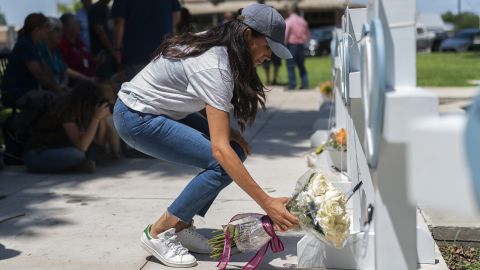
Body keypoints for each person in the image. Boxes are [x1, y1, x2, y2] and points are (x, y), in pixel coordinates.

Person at [113, 3, 298, 268]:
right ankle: (157, 232)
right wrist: (266, 202)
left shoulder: (220, 45)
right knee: (223, 161)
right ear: (248, 35)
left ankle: (181, 226)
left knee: (234, 151)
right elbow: (220, 151)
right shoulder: (215, 65)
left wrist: (228, 130)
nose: (269, 56)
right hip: (136, 116)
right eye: (268, 47)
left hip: (159, 108)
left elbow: (190, 88)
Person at [23, 81, 111, 173]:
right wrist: (96, 118)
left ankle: (79, 165)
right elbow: (82, 146)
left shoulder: (80, 113)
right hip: (38, 154)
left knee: (92, 149)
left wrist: (101, 120)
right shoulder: (65, 111)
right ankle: (77, 166)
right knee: (78, 155)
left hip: (60, 149)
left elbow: (99, 144)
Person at [111, 0, 181, 80]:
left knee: (138, 88)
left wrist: (117, 49)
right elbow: (176, 15)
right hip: (164, 52)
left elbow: (119, 23)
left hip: (136, 53)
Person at [38, 17, 93, 87]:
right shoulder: (40, 49)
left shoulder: (56, 50)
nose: (61, 33)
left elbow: (64, 70)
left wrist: (64, 85)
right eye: (57, 30)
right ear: (47, 31)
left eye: (62, 30)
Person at [58, 13, 96, 79]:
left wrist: (97, 61)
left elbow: (89, 63)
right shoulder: (62, 45)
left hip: (92, 80)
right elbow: (64, 69)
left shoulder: (80, 43)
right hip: (78, 84)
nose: (79, 25)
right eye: (76, 23)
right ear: (67, 27)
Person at [285, 5, 309, 90]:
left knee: (290, 65)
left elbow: (286, 33)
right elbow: (307, 33)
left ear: (290, 11)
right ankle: (305, 84)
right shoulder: (303, 21)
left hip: (292, 45)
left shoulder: (289, 21)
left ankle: (292, 84)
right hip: (301, 45)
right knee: (301, 65)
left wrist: (284, 43)